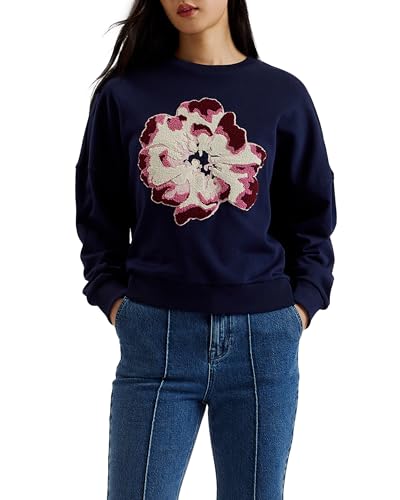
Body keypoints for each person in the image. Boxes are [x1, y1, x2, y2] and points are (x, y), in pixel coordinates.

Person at [74, 0, 337, 498]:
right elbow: (98, 212)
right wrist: (115, 302)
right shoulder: (123, 95)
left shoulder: (283, 95)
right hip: (155, 339)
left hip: (263, 341)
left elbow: (312, 216)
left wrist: (300, 308)